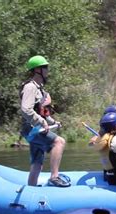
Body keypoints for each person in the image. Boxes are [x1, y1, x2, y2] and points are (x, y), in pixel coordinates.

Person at [20, 55, 69, 187]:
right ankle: (54, 177)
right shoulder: (30, 87)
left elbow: (40, 111)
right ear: (37, 70)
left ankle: (31, 189)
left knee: (37, 163)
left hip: (34, 127)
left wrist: (52, 122)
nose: (47, 70)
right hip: (32, 128)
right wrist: (41, 121)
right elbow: (26, 109)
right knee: (59, 142)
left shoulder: (39, 89)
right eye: (45, 67)